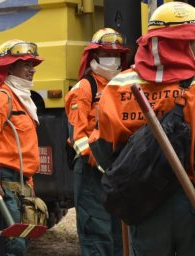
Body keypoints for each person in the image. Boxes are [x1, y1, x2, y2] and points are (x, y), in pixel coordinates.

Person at [92, 2, 195, 256]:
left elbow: (103, 150)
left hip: (143, 208)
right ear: (180, 42)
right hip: (192, 207)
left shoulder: (117, 86)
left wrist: (136, 179)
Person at [0, 39, 43, 256]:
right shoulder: (0, 98)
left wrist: (29, 186)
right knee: (11, 246)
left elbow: (23, 150)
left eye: (32, 64)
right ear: (9, 67)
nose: (31, 70)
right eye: (25, 64)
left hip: (19, 184)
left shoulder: (22, 100)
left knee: (20, 244)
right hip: (2, 183)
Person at [65, 28, 129, 256]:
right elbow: (78, 136)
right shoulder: (85, 88)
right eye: (106, 54)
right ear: (94, 57)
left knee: (121, 234)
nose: (112, 60)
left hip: (118, 169)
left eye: (116, 55)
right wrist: (99, 161)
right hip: (92, 172)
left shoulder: (124, 87)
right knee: (96, 231)